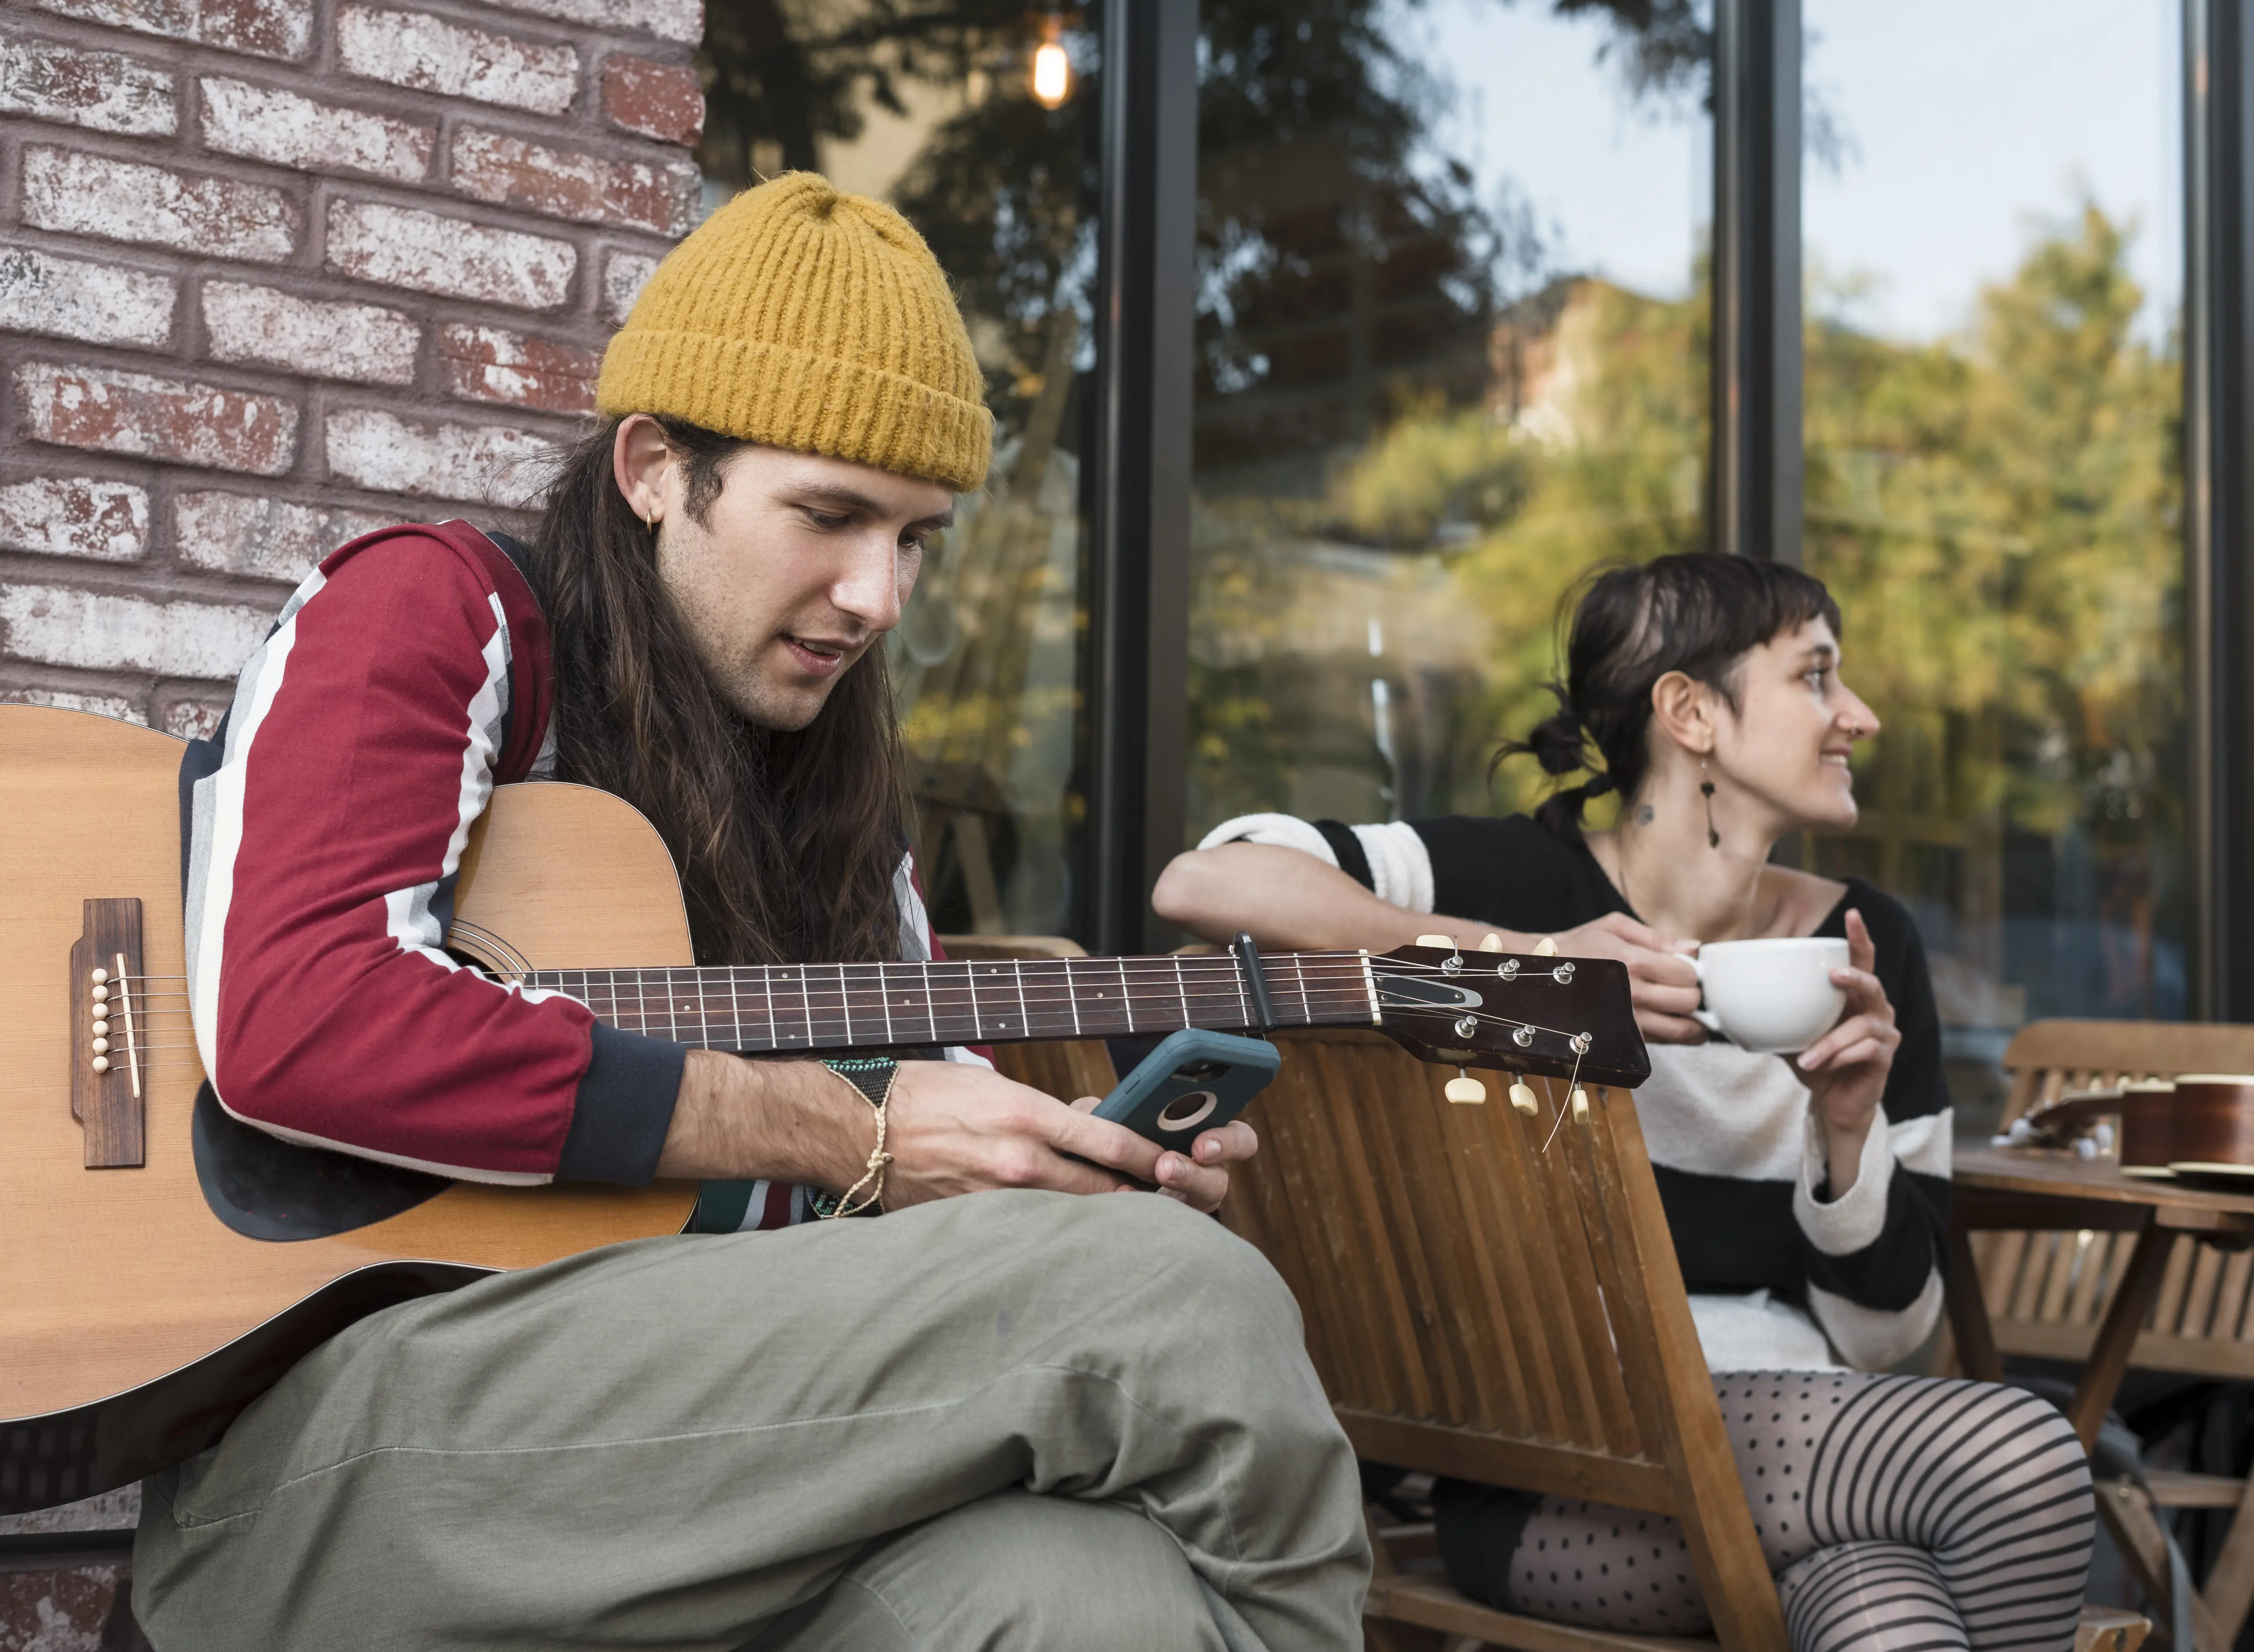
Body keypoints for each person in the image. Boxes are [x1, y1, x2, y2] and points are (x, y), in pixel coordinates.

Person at [134, 174, 1370, 1651]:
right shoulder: (443, 613)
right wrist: (842, 1136)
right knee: (1178, 1302)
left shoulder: (838, 783)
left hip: (722, 1495)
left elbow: (922, 1107)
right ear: (655, 466)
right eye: (831, 515)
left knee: (1089, 1603)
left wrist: (1060, 1173)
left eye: (917, 537)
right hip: (336, 1466)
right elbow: (302, 1016)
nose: (879, 595)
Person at [1154, 553, 2091, 1652]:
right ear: (1689, 711)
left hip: (1818, 1458)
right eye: (1817, 678)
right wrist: (1527, 962)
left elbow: (1886, 1341)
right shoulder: (1517, 885)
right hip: (1549, 1484)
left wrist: (1844, 1134)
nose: (1861, 718)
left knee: (1879, 1600)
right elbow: (1205, 882)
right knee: (2019, 1454)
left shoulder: (1863, 945)